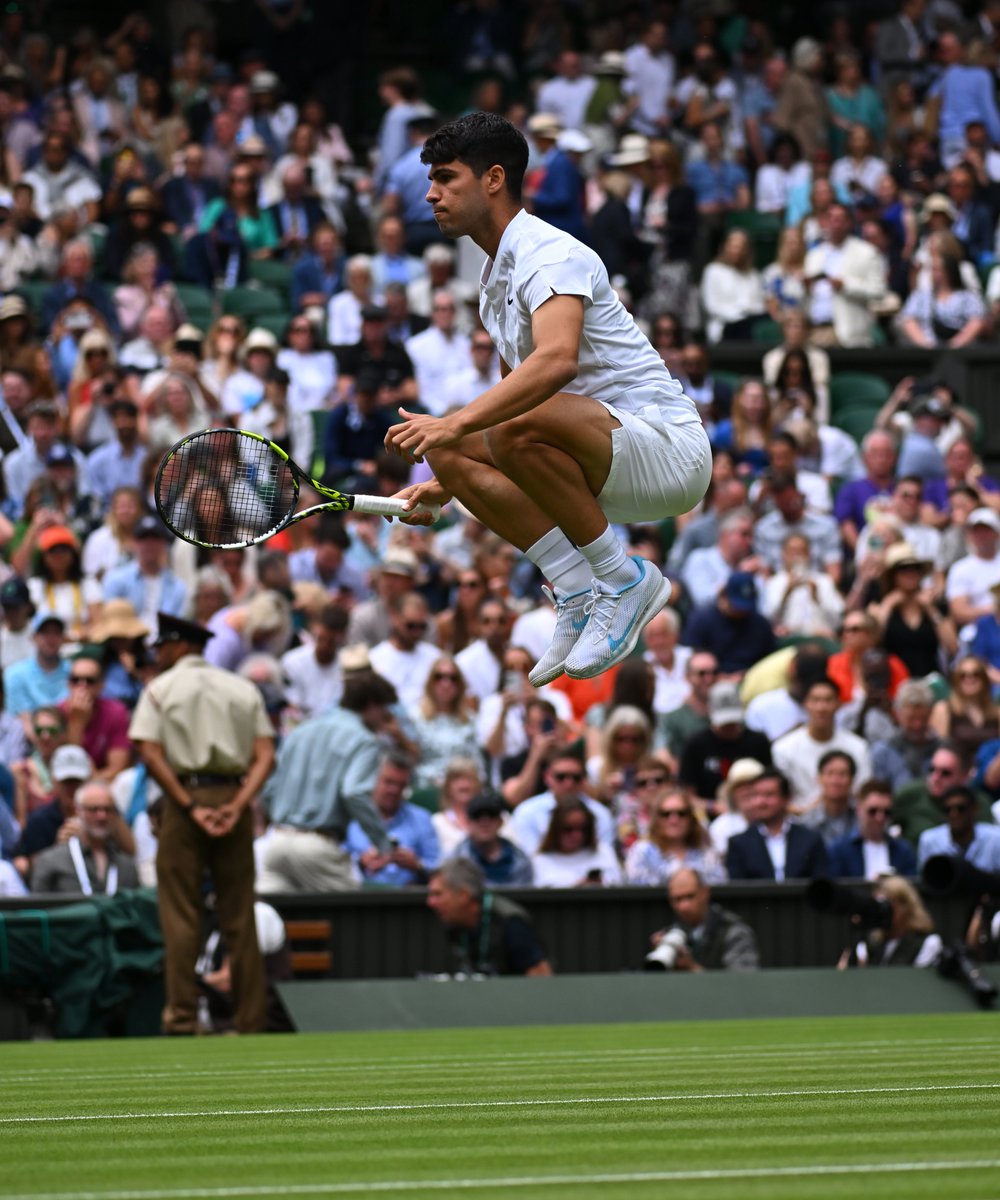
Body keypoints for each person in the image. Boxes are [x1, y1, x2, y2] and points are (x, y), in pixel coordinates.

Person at [384, 112, 710, 687]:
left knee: (477, 427)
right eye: (431, 180)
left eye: (446, 178)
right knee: (448, 449)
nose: (431, 194)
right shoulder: (494, 279)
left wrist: (455, 424)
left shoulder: (548, 253)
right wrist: (449, 480)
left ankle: (624, 580)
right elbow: (509, 399)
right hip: (599, 466)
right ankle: (578, 590)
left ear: (493, 179)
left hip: (668, 452)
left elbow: (555, 364)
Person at [129, 612, 275, 1036]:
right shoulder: (241, 687)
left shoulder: (160, 689)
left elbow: (148, 750)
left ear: (179, 645)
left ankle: (181, 1019)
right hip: (232, 800)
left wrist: (190, 806)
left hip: (184, 802)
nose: (158, 654)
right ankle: (250, 1022)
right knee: (240, 915)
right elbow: (265, 754)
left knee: (180, 915)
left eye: (162, 646)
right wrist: (238, 804)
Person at [257, 671, 399, 893]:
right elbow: (354, 792)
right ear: (372, 704)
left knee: (271, 913)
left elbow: (269, 790)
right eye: (385, 709)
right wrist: (382, 842)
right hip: (318, 846)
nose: (387, 718)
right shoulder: (364, 740)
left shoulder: (299, 732)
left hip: (277, 842)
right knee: (354, 913)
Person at [426, 857, 553, 976]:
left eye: (438, 894)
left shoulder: (511, 924)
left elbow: (541, 977)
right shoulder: (455, 924)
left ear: (464, 895)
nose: (430, 902)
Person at [772, 677, 872, 807]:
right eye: (815, 700)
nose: (821, 707)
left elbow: (863, 793)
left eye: (828, 700)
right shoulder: (783, 748)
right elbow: (780, 799)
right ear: (805, 704)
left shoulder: (858, 747)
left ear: (838, 704)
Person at [344, 752, 440, 885]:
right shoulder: (350, 817)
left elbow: (438, 870)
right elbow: (334, 868)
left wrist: (417, 865)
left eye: (401, 785)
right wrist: (361, 863)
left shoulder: (422, 819)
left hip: (410, 893)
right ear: (372, 779)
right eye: (388, 782)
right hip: (360, 894)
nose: (394, 790)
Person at [30, 779, 139, 894]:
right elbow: (38, 904)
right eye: (93, 809)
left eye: (108, 809)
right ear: (78, 811)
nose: (102, 816)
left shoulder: (126, 866)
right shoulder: (51, 860)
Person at [678, 680, 772, 809]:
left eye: (733, 722)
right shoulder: (696, 744)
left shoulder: (758, 742)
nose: (729, 727)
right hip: (711, 812)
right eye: (723, 723)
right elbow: (687, 796)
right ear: (710, 712)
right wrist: (714, 807)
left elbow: (771, 784)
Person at [647, 867, 760, 971]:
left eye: (690, 896)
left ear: (705, 893)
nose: (684, 906)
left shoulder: (733, 931)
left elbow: (743, 983)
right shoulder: (671, 933)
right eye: (678, 899)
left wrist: (692, 968)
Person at [726, 768, 830, 880]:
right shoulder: (739, 844)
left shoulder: (810, 839)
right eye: (755, 795)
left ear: (786, 798)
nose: (760, 802)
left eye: (769, 795)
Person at [624, 787, 725, 886]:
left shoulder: (706, 852)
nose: (674, 820)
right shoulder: (642, 852)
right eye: (666, 814)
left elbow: (718, 887)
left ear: (690, 818)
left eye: (681, 813)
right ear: (656, 819)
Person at [839, 875, 942, 968]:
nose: (880, 913)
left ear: (905, 907)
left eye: (886, 906)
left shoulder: (927, 943)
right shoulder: (872, 945)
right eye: (877, 907)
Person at [828, 780, 917, 878]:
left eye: (887, 812)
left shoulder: (903, 851)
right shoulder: (839, 850)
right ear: (858, 809)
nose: (880, 818)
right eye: (873, 811)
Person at [530, 796, 622, 888]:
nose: (577, 836)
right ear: (555, 829)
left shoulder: (604, 853)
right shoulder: (539, 861)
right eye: (568, 829)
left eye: (583, 829)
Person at [450, 789, 533, 887]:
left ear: (501, 821)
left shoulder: (520, 860)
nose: (484, 823)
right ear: (468, 822)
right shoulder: (455, 860)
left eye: (491, 815)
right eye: (477, 816)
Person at [916, 783, 1000, 871]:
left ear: (974, 809)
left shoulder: (996, 838)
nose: (954, 814)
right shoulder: (929, 840)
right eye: (948, 810)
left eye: (961, 809)